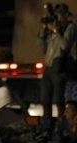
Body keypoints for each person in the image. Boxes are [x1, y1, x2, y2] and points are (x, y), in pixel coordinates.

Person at [39, 3, 76, 132]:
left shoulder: (70, 27)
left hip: (59, 68)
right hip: (48, 67)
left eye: (61, 14)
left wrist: (56, 30)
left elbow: (65, 45)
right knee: (45, 100)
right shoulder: (55, 29)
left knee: (58, 100)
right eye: (57, 14)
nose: (59, 17)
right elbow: (43, 48)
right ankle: (46, 128)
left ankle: (61, 128)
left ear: (66, 15)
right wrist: (44, 30)